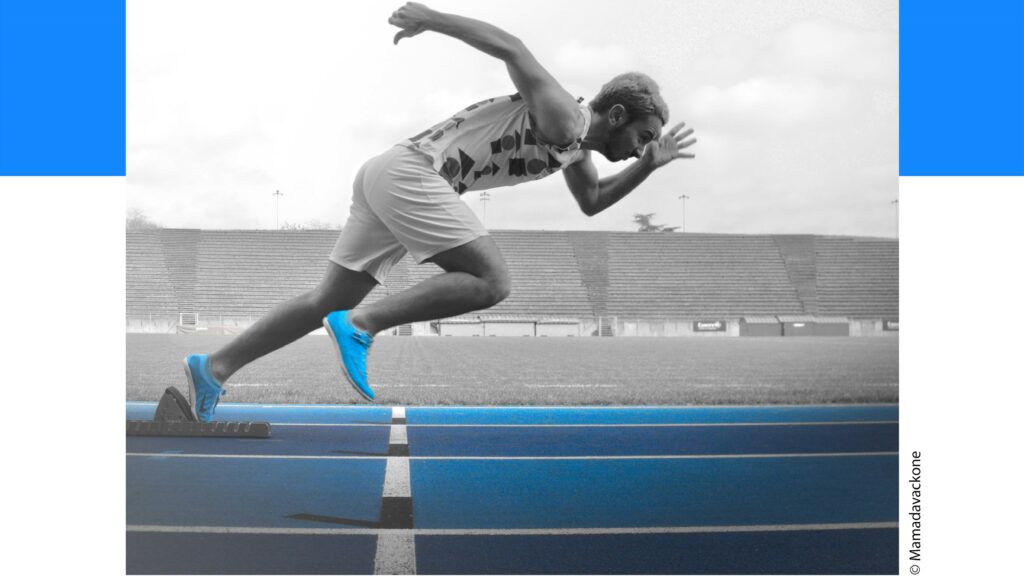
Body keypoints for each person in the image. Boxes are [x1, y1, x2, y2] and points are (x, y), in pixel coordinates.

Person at [183, 2, 697, 421]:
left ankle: (214, 367)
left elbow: (592, 202)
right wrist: (431, 18)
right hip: (414, 173)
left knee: (325, 300)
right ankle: (362, 323)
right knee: (492, 280)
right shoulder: (565, 117)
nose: (641, 147)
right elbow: (513, 47)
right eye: (643, 137)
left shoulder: (575, 150)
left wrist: (648, 168)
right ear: (617, 114)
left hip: (389, 172)